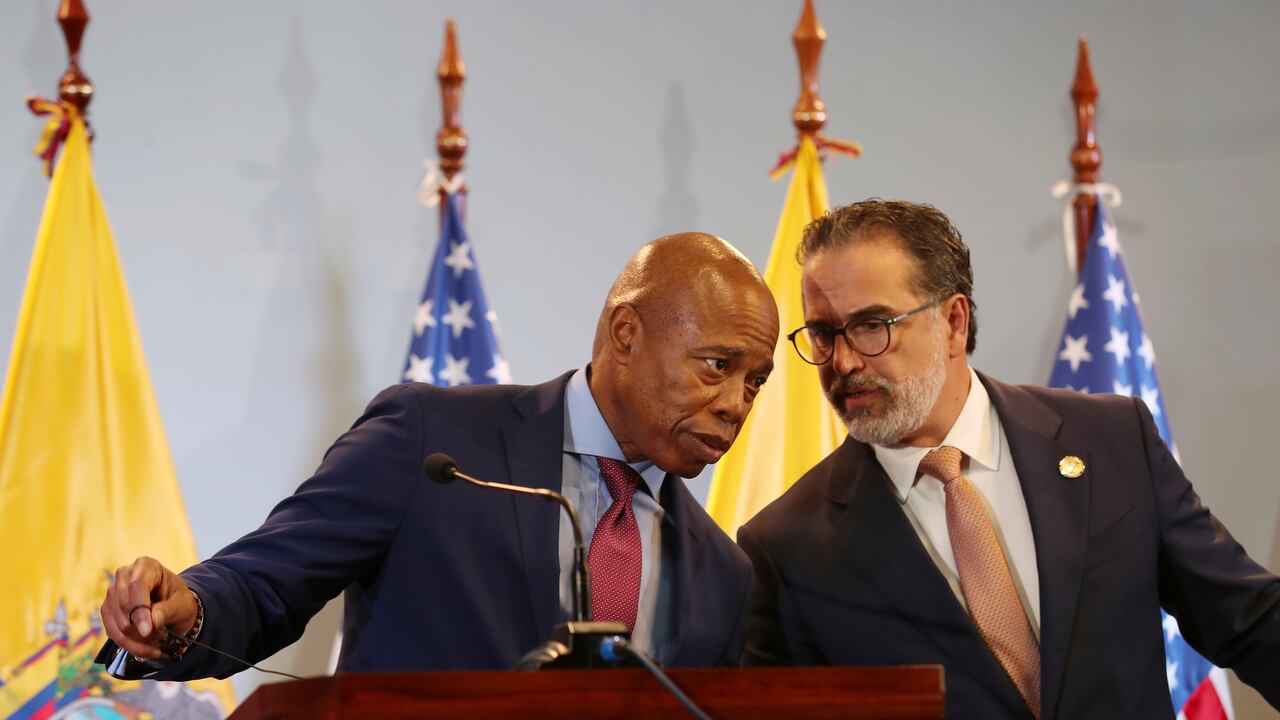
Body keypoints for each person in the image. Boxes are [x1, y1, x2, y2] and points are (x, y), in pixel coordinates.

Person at [100, 232, 779, 676]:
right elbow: (265, 583)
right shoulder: (432, 442)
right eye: (717, 365)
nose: (736, 403)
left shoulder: (725, 574)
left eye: (756, 380)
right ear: (625, 333)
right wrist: (186, 610)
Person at [738, 200, 1280, 718]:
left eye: (872, 325)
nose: (844, 360)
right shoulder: (787, 545)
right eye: (823, 333)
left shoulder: (1112, 440)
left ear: (953, 322)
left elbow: (1249, 620)